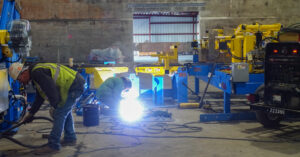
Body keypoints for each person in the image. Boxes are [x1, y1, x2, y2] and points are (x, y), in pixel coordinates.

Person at [8, 62, 85, 155]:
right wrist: (31, 113)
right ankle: (70, 138)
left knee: (59, 113)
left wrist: (55, 106)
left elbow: (52, 91)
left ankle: (53, 145)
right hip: (74, 84)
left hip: (74, 86)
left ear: (23, 72)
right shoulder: (35, 74)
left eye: (19, 79)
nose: (21, 82)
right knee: (64, 111)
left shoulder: (37, 73)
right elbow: (39, 97)